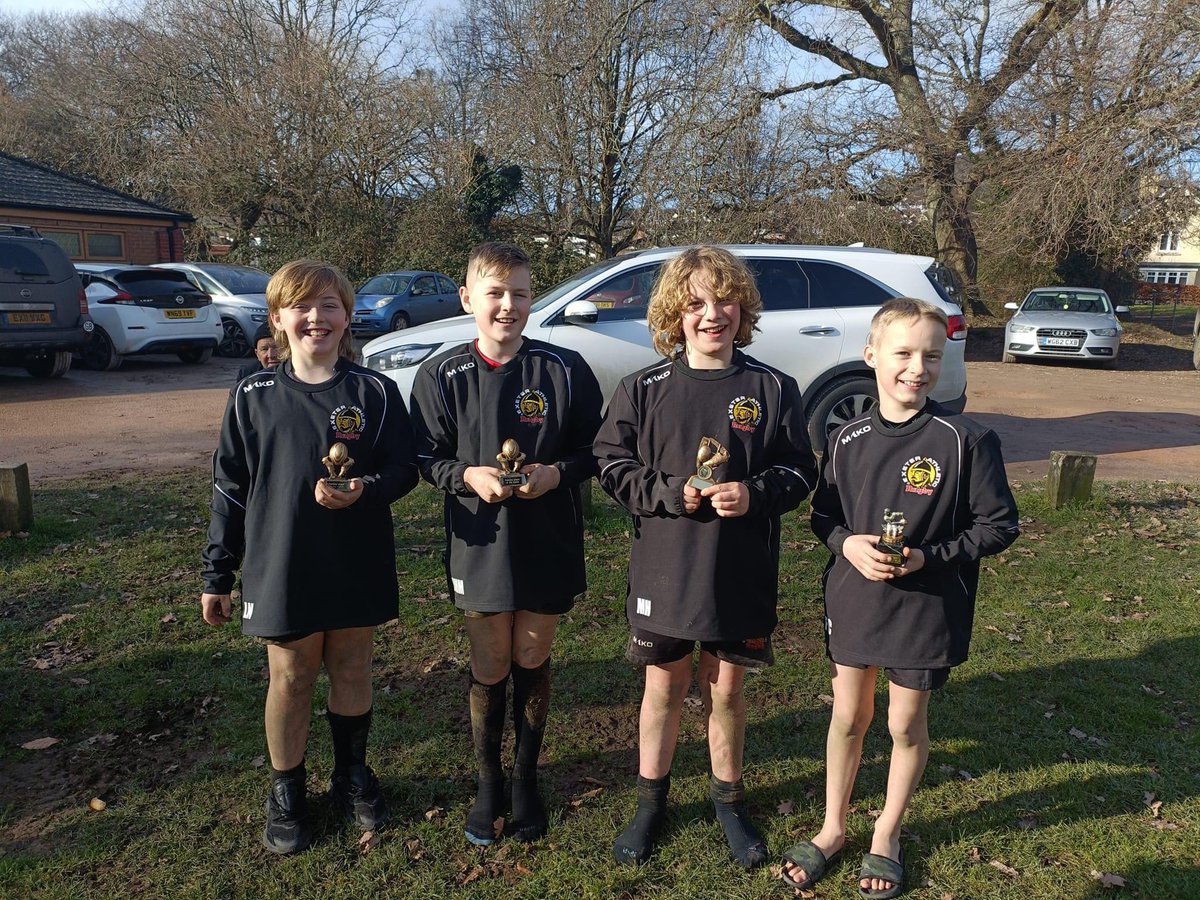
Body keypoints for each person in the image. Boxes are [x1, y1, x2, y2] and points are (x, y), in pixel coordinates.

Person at [779, 297, 1019, 898]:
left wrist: (927, 557)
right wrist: (846, 544)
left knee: (904, 722)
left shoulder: (967, 438)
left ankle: (886, 830)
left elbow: (999, 525)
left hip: (926, 604)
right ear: (872, 356)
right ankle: (834, 828)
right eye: (903, 353)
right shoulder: (845, 437)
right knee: (848, 716)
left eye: (931, 356)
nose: (917, 367)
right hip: (855, 598)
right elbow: (823, 516)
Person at [593, 246, 817, 869]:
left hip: (738, 572)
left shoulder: (773, 387)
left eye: (724, 301)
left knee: (725, 693)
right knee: (662, 689)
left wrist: (756, 493)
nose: (711, 314)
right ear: (674, 314)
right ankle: (649, 803)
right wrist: (670, 491)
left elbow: (801, 471)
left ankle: (728, 802)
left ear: (743, 308)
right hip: (666, 569)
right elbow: (611, 466)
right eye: (695, 303)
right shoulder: (643, 388)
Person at [200, 259, 419, 854]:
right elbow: (230, 485)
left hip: (355, 556)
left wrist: (365, 490)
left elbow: (405, 469)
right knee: (291, 675)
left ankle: (350, 775)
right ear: (278, 317)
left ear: (347, 316)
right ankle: (287, 788)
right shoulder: (253, 393)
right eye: (302, 306)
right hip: (281, 559)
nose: (316, 317)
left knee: (351, 668)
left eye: (329, 305)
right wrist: (218, 571)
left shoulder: (374, 391)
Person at [408, 241, 602, 846]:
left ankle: (526, 779)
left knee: (533, 656)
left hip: (548, 538)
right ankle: (488, 779)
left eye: (520, 292)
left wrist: (556, 474)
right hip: (481, 542)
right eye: (494, 293)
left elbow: (599, 450)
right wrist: (466, 475)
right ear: (468, 299)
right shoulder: (441, 373)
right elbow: (423, 455)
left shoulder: (565, 368)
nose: (508, 305)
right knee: (491, 661)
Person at [232, 323, 280, 389]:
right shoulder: (247, 375)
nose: (271, 355)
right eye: (264, 349)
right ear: (257, 354)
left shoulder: (297, 374)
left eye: (277, 347)